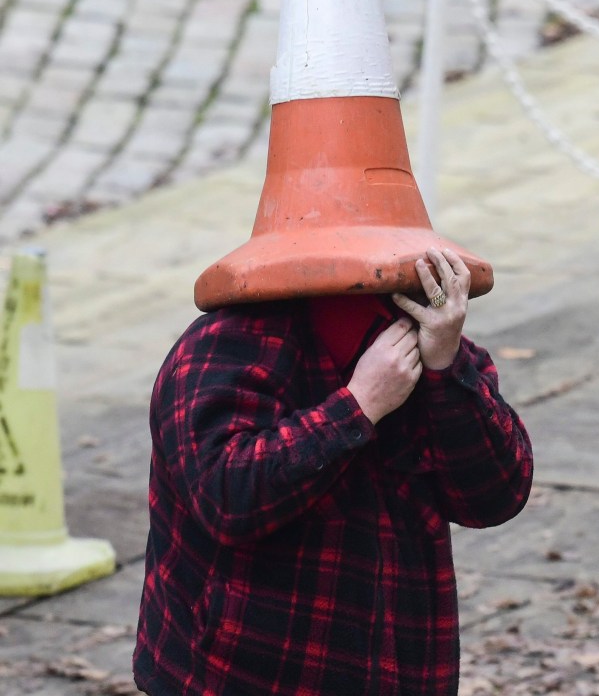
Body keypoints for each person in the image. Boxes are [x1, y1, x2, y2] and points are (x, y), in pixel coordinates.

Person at [134, 247, 533, 696]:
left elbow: (496, 494)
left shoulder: (427, 340)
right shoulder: (222, 347)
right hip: (241, 673)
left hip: (398, 665)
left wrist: (446, 363)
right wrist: (359, 405)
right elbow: (227, 497)